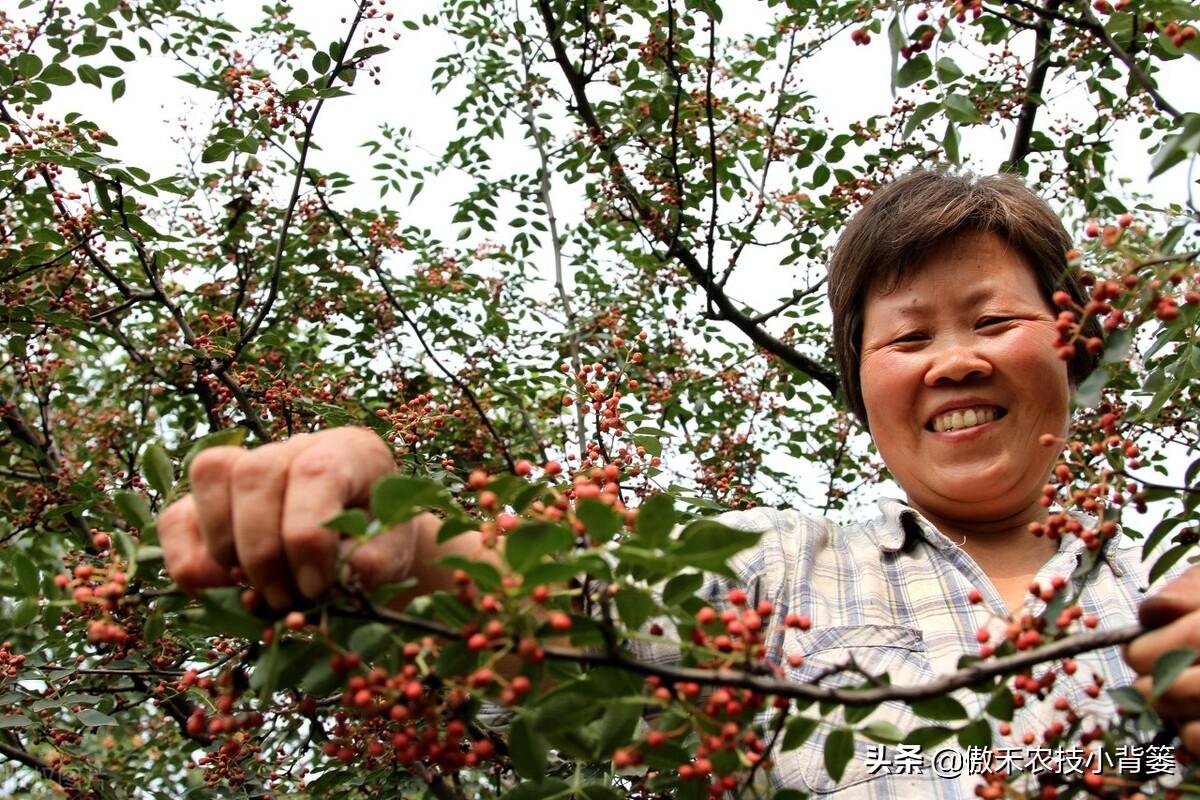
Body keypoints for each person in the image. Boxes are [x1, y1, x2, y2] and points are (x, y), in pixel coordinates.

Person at [158, 170, 1199, 796]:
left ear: (1070, 343)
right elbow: (533, 593)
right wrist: (380, 525)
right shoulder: (774, 568)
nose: (952, 361)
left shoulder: (1174, 576)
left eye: (994, 320)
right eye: (909, 335)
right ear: (863, 385)